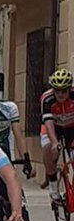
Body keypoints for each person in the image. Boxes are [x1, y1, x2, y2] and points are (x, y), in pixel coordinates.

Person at [40, 68, 74, 201]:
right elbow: (48, 122)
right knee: (48, 147)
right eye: (57, 90)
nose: (60, 94)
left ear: (70, 89)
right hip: (52, 127)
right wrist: (55, 142)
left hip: (71, 127)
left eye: (64, 91)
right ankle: (53, 184)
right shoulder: (47, 99)